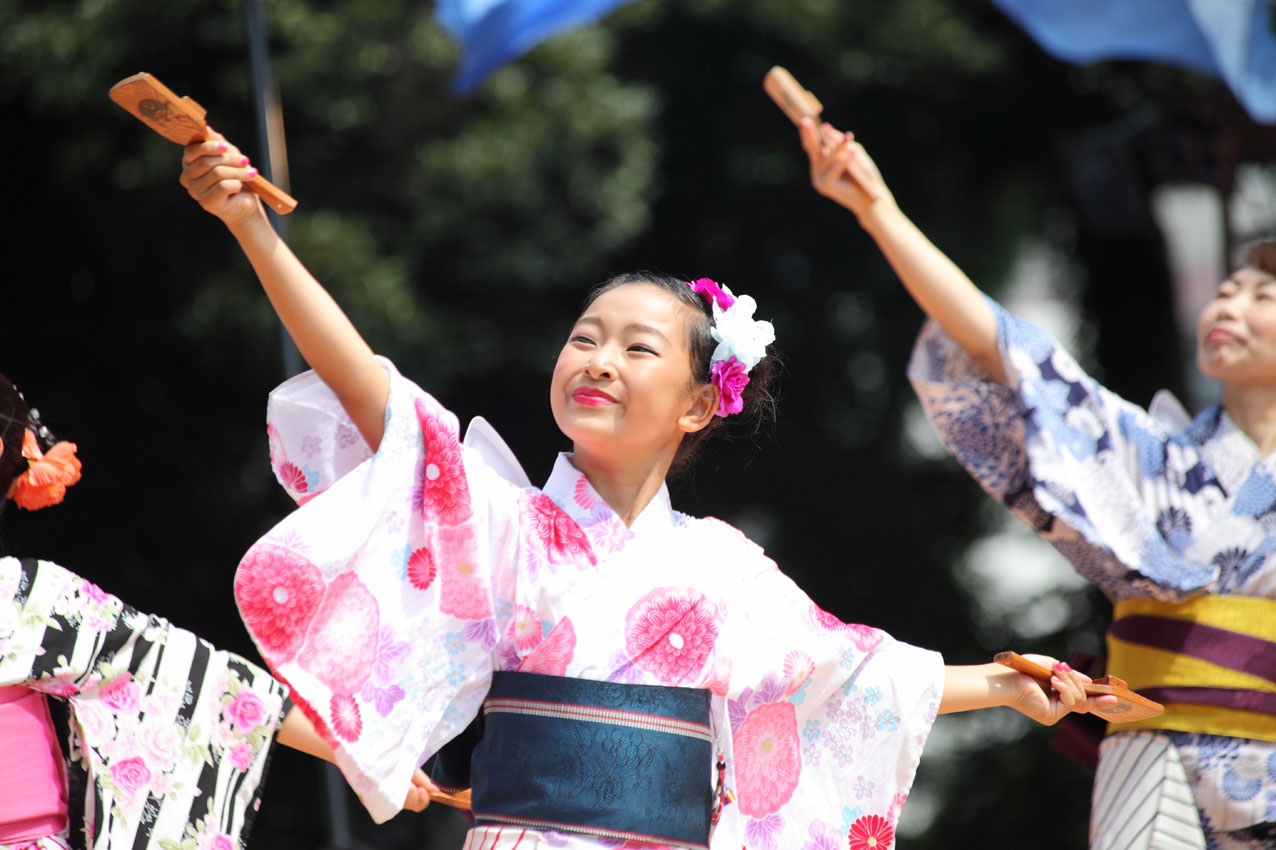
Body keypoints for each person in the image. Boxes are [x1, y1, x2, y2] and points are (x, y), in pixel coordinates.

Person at [178, 128, 1113, 850]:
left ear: (702, 403)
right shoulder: (504, 520)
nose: (598, 360)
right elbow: (370, 390)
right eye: (585, 336)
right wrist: (252, 230)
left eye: (637, 347)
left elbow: (846, 675)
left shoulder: (722, 566)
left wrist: (1001, 684)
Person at [798, 116, 1276, 850]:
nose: (1229, 306)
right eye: (1229, 290)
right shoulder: (1155, 459)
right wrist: (879, 212)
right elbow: (1008, 352)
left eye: (1261, 297)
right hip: (1156, 752)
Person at [0, 374, 433, 850]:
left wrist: (368, 755)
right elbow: (193, 677)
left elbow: (199, 681)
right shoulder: (23, 595)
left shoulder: (24, 595)